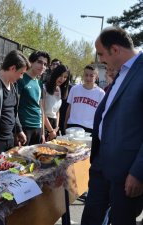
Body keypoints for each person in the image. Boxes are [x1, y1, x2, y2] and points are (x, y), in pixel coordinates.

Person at [81, 27, 143, 225]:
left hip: (126, 171)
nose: (100, 60)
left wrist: (138, 172)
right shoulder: (122, 72)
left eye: (101, 53)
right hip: (102, 164)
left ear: (115, 50)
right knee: (91, 215)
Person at [17, 51, 50, 145]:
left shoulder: (39, 83)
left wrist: (43, 132)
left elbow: (41, 108)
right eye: (39, 62)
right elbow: (14, 107)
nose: (42, 66)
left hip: (38, 128)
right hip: (24, 128)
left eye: (45, 64)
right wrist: (18, 130)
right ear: (31, 62)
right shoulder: (21, 79)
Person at [65, 65, 105, 134]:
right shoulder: (74, 89)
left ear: (96, 77)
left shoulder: (101, 93)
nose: (88, 78)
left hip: (89, 129)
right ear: (83, 75)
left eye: (91, 76)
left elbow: (101, 114)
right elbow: (69, 108)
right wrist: (65, 123)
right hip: (72, 126)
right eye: (86, 75)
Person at [42, 64, 69, 141]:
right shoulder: (44, 88)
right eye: (60, 75)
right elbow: (42, 111)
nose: (62, 79)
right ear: (55, 74)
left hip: (54, 126)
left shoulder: (60, 89)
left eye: (65, 77)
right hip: (44, 124)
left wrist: (56, 128)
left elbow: (57, 112)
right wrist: (50, 130)